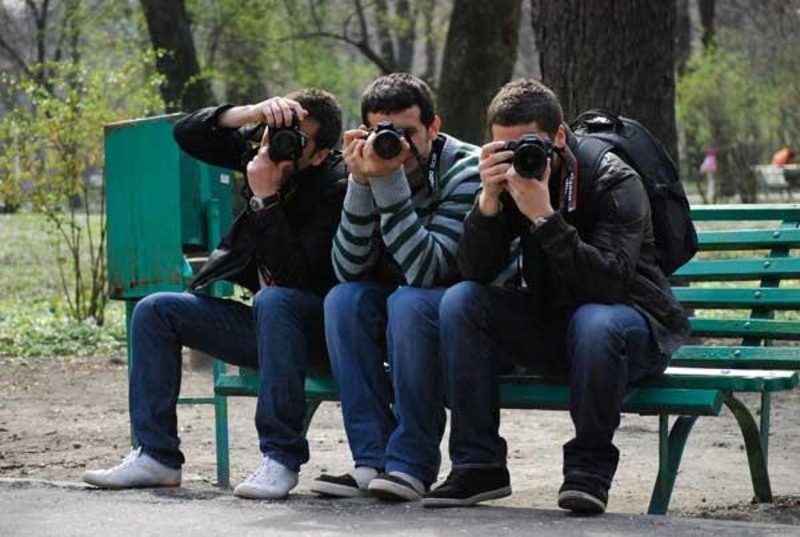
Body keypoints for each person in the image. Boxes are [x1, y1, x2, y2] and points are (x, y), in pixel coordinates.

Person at [423, 79, 690, 513]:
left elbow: (609, 285)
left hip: (634, 331)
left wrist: (545, 218)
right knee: (461, 301)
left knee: (595, 320)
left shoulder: (612, 178)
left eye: (529, 145)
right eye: (505, 148)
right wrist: (488, 202)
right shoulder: (510, 180)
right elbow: (474, 272)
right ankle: (478, 466)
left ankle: (588, 473)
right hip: (558, 326)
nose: (518, 158)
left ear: (560, 137)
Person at [82, 89, 346, 500]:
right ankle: (156, 457)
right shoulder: (264, 155)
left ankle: (280, 459)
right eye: (273, 131)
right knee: (156, 311)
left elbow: (293, 277)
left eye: (295, 139)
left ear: (320, 154)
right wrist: (252, 112)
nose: (277, 144)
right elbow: (187, 133)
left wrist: (266, 199)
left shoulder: (337, 185)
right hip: (265, 327)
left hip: (321, 334)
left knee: (275, 301)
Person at [309, 73, 494, 501]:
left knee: (409, 301)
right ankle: (372, 460)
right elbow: (348, 270)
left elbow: (428, 270)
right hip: (406, 312)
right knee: (343, 300)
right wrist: (360, 183)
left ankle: (410, 464)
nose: (397, 144)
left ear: (434, 126)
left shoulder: (466, 169)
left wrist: (386, 182)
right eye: (383, 133)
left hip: (466, 319)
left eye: (408, 132)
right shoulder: (370, 165)